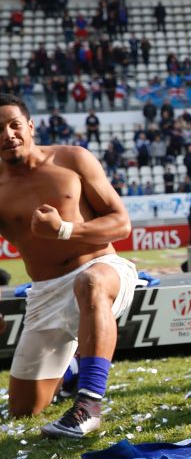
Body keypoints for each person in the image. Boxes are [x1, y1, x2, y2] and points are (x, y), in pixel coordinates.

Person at [0, 93, 137, 437]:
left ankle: (89, 403)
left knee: (89, 283)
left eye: (14, 125)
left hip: (101, 269)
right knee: (23, 409)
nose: (7, 134)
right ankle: (73, 370)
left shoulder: (72, 159)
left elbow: (121, 224)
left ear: (30, 126)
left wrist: (63, 230)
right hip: (45, 292)